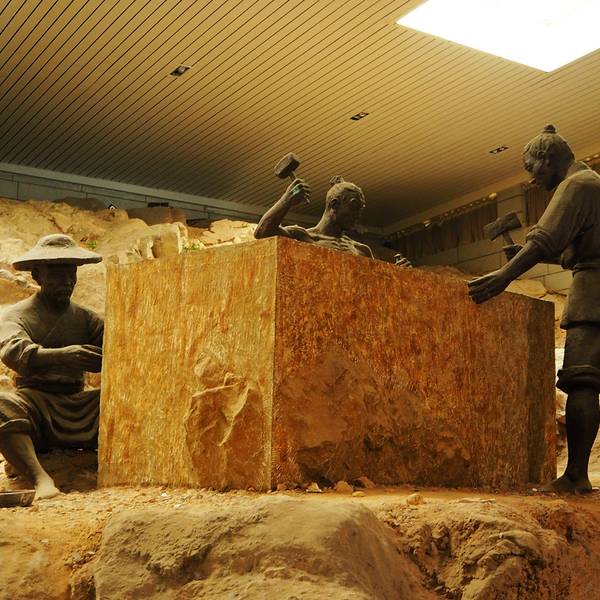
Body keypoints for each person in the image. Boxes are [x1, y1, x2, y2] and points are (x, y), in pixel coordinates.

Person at [468, 124, 600, 493]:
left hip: (593, 291)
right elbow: (574, 248)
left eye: (532, 168)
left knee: (582, 380)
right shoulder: (593, 183)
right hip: (592, 278)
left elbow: (544, 238)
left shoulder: (576, 185)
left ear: (547, 159)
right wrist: (535, 257)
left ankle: (575, 476)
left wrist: (505, 275)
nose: (531, 178)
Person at [0, 234, 103, 499]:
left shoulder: (86, 318)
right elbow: (13, 351)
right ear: (37, 276)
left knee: (123, 402)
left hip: (79, 404)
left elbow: (120, 350)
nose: (66, 282)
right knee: (2, 405)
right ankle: (40, 477)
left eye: (71, 274)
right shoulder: (16, 315)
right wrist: (63, 356)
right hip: (36, 405)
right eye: (57, 275)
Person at [255, 175, 411, 265]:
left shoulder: (361, 250)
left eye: (361, 209)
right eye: (354, 207)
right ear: (334, 205)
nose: (358, 215)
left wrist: (399, 273)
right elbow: (262, 232)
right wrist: (286, 200)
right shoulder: (303, 238)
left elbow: (374, 287)